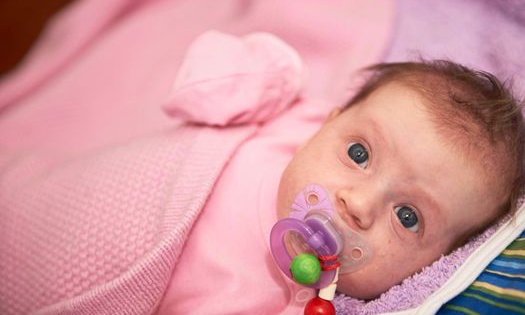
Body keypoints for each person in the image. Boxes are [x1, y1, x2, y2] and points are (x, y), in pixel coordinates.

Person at [158, 34, 525, 314]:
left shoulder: (304, 305)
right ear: (326, 126)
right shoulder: (289, 122)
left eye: (407, 216)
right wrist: (268, 76)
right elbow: (208, 78)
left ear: (437, 263)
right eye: (358, 153)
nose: (359, 204)